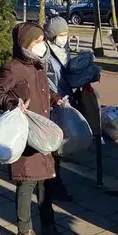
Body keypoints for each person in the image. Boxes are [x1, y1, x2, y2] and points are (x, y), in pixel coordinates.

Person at [0, 23, 66, 235]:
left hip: (43, 132)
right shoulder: (14, 68)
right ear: (25, 44)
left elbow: (44, 90)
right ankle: (25, 231)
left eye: (43, 40)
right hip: (25, 135)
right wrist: (12, 103)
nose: (42, 45)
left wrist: (55, 98)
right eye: (37, 41)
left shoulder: (39, 65)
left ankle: (48, 225)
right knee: (27, 182)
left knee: (47, 181)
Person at [44, 16, 73, 202]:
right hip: (51, 102)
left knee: (58, 144)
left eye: (66, 34)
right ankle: (52, 182)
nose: (64, 37)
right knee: (53, 145)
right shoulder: (45, 52)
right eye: (61, 34)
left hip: (64, 100)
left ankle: (53, 179)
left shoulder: (64, 49)